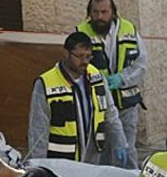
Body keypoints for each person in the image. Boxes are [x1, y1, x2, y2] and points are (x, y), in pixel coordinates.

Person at [28, 32, 128, 167]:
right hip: (61, 161)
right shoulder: (46, 83)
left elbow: (110, 113)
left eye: (88, 56)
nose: (85, 61)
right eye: (79, 56)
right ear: (66, 53)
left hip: (92, 158)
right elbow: (38, 129)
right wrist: (38, 164)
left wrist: (120, 142)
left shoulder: (96, 77)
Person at [76, 0, 148, 169]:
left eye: (104, 12)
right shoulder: (81, 33)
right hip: (97, 105)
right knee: (99, 151)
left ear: (113, 12)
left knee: (127, 149)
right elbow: (76, 66)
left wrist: (121, 79)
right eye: (95, 12)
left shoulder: (129, 30)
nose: (99, 17)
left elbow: (141, 64)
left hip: (126, 104)